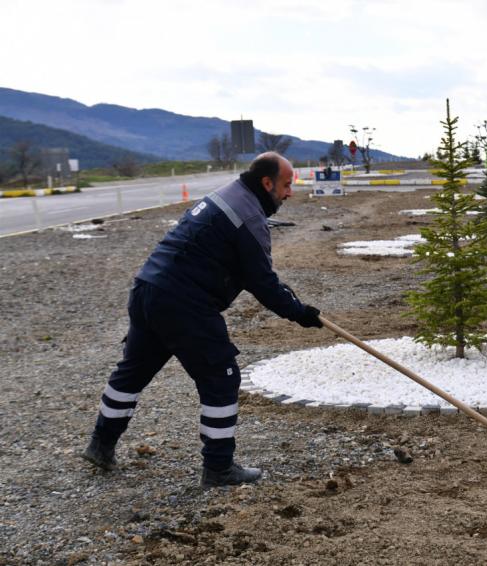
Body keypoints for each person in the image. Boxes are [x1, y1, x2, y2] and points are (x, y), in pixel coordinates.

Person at [81, 152, 324, 488]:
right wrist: (299, 312)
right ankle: (219, 469)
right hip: (184, 303)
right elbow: (262, 282)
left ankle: (100, 445)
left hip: (148, 289)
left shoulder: (225, 195)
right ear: (266, 183)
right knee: (222, 379)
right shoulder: (248, 216)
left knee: (132, 373)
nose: (289, 193)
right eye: (285, 185)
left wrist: (293, 304)